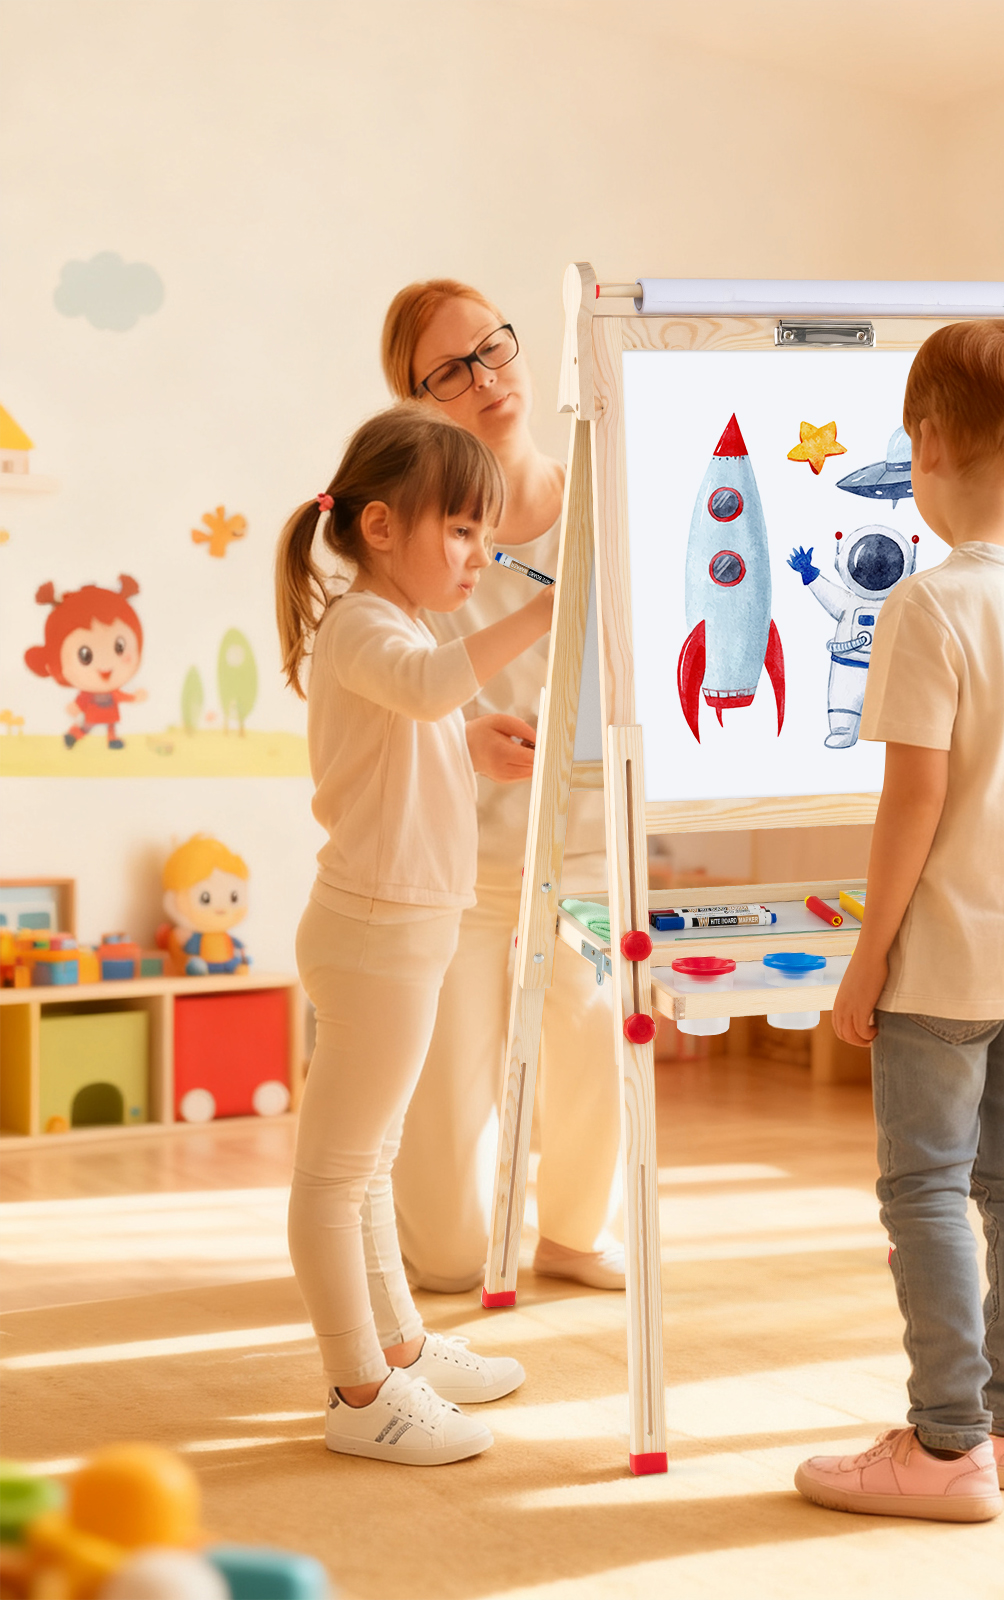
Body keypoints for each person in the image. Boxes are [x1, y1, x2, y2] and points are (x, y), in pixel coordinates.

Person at [794, 320, 1004, 1523]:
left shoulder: (930, 608)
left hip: (947, 961)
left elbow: (913, 800)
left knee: (925, 1187)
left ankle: (943, 1446)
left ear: (922, 446)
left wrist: (864, 958)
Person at [276, 403, 555, 1464]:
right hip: (373, 932)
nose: (481, 556)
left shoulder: (408, 632)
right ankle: (358, 1390)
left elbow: (419, 720)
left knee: (371, 1162)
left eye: (487, 537)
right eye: (462, 533)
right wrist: (543, 615)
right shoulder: (363, 625)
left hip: (405, 929)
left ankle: (395, 1346)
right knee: (338, 1170)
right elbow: (423, 686)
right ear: (381, 527)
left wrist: (467, 743)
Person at [380, 280, 624, 1296]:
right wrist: (458, 736)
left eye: (493, 348)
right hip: (464, 865)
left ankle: (571, 1231)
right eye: (450, 369)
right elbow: (381, 692)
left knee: (594, 1040)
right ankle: (422, 1228)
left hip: (587, 857)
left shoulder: (604, 505)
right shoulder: (410, 542)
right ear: (419, 401)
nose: (485, 378)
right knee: (443, 1259)